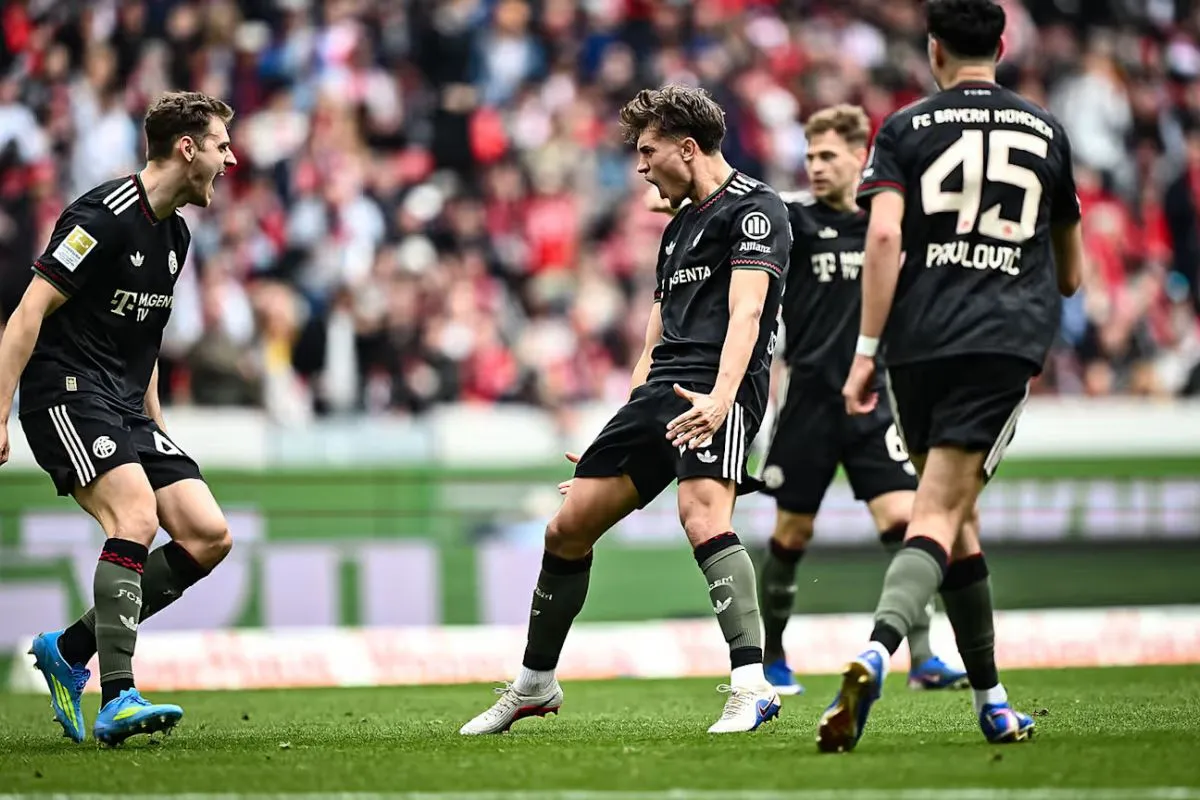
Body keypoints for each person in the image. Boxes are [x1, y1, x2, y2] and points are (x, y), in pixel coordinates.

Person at [460, 84, 790, 736]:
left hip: (714, 387)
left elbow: (748, 311)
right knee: (567, 528)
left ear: (687, 148)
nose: (640, 166)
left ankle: (752, 684)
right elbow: (652, 339)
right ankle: (535, 684)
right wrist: (618, 433)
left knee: (702, 517)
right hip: (659, 394)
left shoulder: (756, 210)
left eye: (648, 151)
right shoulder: (676, 229)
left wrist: (723, 399)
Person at [816, 0, 1083, 752]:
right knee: (940, 512)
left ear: (933, 50)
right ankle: (878, 648)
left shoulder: (902, 129)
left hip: (917, 342)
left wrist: (866, 349)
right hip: (999, 342)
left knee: (955, 516)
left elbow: (886, 235)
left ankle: (993, 702)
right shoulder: (1046, 131)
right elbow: (1071, 275)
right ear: (1001, 45)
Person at [0, 91, 239, 746]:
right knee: (134, 516)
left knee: (207, 535)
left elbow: (146, 339)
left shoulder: (177, 235)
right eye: (221, 146)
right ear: (186, 149)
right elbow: (26, 313)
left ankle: (68, 648)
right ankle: (118, 696)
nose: (231, 159)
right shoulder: (100, 216)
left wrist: (154, 426)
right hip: (65, 393)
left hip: (124, 403)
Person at [752, 105, 968, 696]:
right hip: (809, 403)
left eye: (828, 155)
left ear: (859, 157)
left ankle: (923, 657)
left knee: (905, 522)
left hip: (875, 403)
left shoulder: (886, 222)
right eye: (810, 155)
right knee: (792, 534)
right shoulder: (791, 220)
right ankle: (772, 656)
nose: (816, 166)